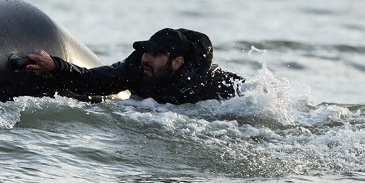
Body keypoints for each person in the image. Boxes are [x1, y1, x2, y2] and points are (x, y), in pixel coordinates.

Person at [23, 28, 242, 104]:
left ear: (177, 63)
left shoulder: (208, 82)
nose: (146, 58)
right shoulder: (136, 69)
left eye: (156, 55)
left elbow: (248, 104)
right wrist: (55, 66)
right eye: (146, 51)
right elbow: (92, 81)